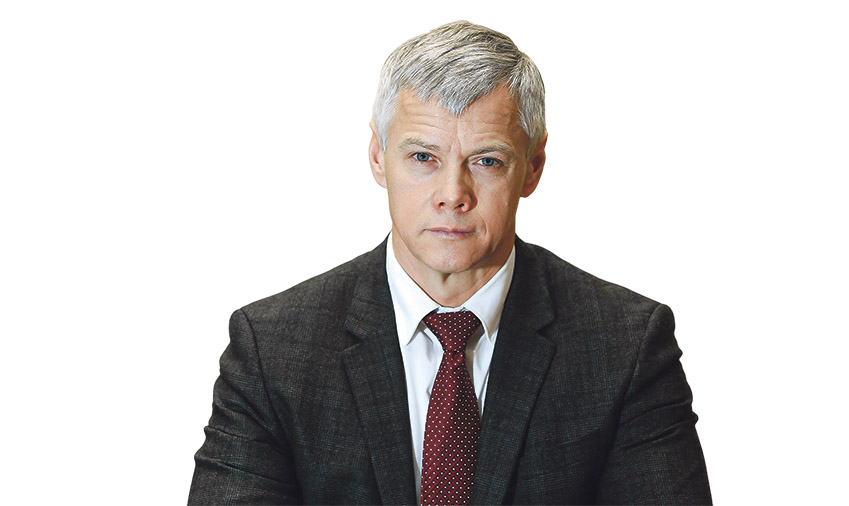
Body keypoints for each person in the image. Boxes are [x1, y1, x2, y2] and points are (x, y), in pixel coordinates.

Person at [189, 20, 711, 505]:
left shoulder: (627, 346)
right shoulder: (271, 349)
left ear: (533, 167)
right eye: (423, 157)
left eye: (486, 161)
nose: (453, 194)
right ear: (377, 156)